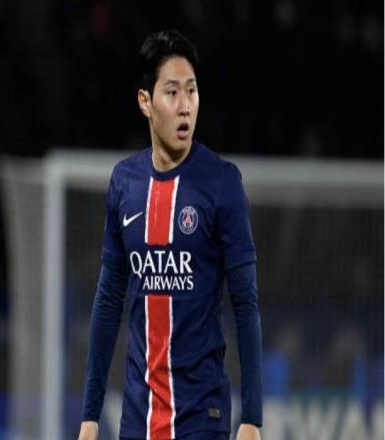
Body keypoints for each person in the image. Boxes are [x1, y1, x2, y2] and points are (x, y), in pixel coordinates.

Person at [79, 29, 262, 440]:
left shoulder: (222, 184)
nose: (185, 106)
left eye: (192, 91)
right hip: (137, 419)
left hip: (202, 417)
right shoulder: (124, 183)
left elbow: (246, 303)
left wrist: (252, 418)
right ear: (145, 102)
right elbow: (108, 301)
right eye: (172, 92)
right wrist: (90, 416)